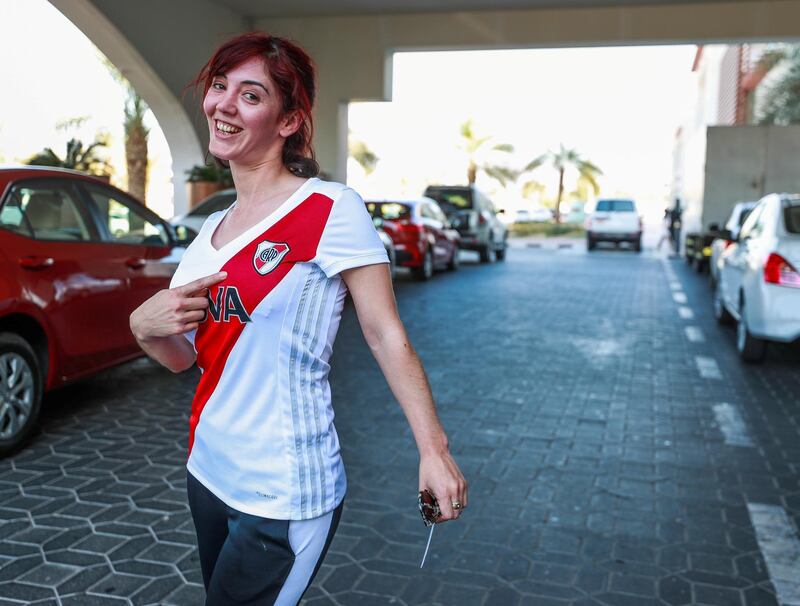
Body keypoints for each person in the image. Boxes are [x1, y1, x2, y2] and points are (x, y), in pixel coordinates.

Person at [129, 32, 467, 605]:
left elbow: (385, 334)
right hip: (208, 471)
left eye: (251, 95)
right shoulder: (208, 237)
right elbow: (186, 358)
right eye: (219, 87)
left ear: (289, 121)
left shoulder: (330, 208)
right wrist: (144, 329)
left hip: (286, 491)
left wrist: (433, 450)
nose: (224, 105)